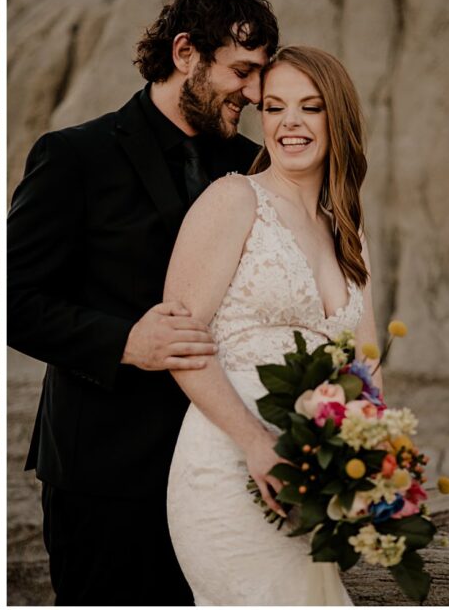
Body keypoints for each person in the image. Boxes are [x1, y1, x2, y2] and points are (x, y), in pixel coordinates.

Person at [8, 0, 279, 605]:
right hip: (103, 469)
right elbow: (18, 301)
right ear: (186, 53)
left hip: (220, 464)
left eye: (261, 73)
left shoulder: (253, 166)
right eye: (243, 70)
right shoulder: (74, 155)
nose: (257, 93)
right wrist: (125, 341)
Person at [164, 45, 382, 604]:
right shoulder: (234, 199)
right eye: (276, 107)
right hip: (230, 466)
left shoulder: (350, 236)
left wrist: (370, 473)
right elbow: (181, 342)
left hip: (314, 484)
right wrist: (256, 443)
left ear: (338, 119)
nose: (290, 123)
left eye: (310, 108)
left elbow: (366, 369)